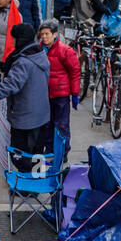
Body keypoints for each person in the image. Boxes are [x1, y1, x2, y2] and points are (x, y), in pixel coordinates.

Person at [0, 22, 50, 160]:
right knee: (35, 155)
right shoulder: (39, 54)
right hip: (40, 115)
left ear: (20, 39)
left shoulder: (23, 62)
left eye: (14, 38)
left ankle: (23, 178)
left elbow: (10, 85)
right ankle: (31, 178)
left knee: (21, 156)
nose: (13, 41)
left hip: (26, 118)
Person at [39, 19, 80, 150]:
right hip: (45, 95)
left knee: (61, 126)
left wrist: (75, 93)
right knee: (47, 125)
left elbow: (75, 72)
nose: (44, 37)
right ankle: (50, 151)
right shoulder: (39, 49)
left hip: (60, 96)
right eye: (42, 34)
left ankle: (62, 153)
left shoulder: (65, 51)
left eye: (47, 34)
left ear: (55, 34)